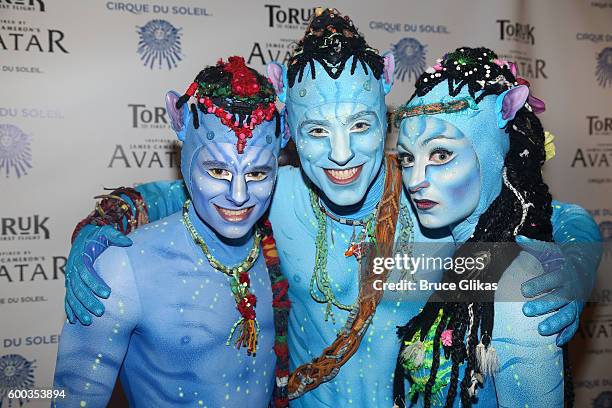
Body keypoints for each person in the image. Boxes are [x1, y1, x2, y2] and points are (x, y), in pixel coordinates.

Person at [60, 9, 601, 407]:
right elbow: (179, 194)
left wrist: (574, 266)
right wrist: (102, 224)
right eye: (317, 130)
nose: (340, 154)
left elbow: (553, 212)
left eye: (361, 125)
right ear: (288, 126)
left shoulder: (428, 198)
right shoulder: (274, 191)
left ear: (385, 103)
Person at [52, 57, 290, 407]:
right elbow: (70, 398)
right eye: (217, 171)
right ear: (181, 139)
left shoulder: (283, 242)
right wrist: (101, 221)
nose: (238, 196)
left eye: (257, 174)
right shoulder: (123, 267)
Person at [392, 47, 602, 407]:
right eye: (407, 158)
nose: (415, 179)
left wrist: (579, 263)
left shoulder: (520, 287)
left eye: (440, 154)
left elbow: (568, 216)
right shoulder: (448, 230)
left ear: (496, 152)